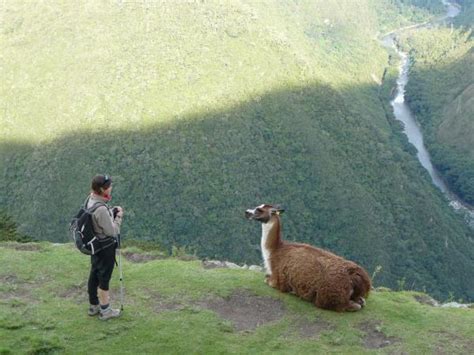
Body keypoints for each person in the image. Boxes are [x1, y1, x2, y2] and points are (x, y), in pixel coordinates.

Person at [86, 174, 124, 321]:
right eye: (108, 186)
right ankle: (105, 310)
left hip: (95, 245)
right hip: (105, 247)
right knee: (104, 278)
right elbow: (112, 231)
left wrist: (111, 212)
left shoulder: (91, 199)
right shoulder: (100, 209)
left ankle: (93, 305)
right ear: (102, 189)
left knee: (94, 272)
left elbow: (100, 220)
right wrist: (119, 216)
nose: (111, 188)